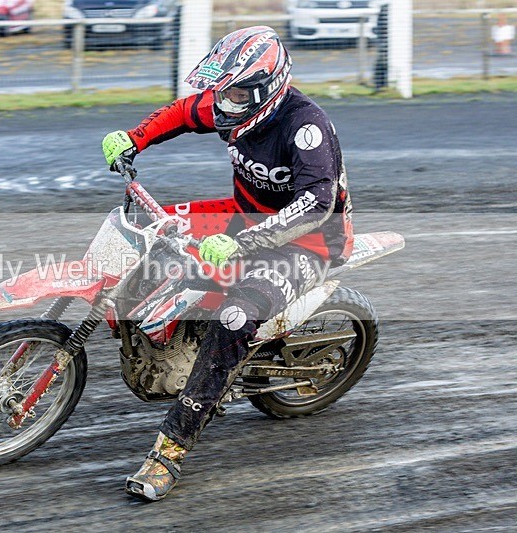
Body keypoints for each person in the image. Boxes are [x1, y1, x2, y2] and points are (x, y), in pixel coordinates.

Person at [101, 26, 354, 502]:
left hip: (310, 243)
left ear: (265, 89)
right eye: (221, 91)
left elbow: (318, 204)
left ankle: (170, 450)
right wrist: (135, 138)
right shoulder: (230, 102)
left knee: (234, 317)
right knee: (155, 230)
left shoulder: (306, 127)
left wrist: (245, 242)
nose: (222, 103)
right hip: (245, 216)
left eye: (235, 94)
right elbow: (183, 111)